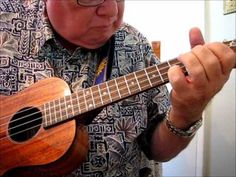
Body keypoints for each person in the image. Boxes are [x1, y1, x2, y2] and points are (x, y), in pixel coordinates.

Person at [0, 0, 235, 177]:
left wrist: (186, 114)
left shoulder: (134, 43)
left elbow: (158, 151)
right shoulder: (6, 21)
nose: (112, 12)